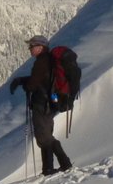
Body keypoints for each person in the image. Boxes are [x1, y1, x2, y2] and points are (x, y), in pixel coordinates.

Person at [10, 35, 73, 176]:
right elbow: (42, 79)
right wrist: (22, 80)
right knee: (45, 135)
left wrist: (25, 85)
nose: (30, 49)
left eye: (32, 46)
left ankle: (62, 164)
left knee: (44, 136)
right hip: (50, 103)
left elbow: (34, 83)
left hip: (42, 104)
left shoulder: (41, 62)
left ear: (40, 47)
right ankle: (48, 168)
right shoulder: (49, 60)